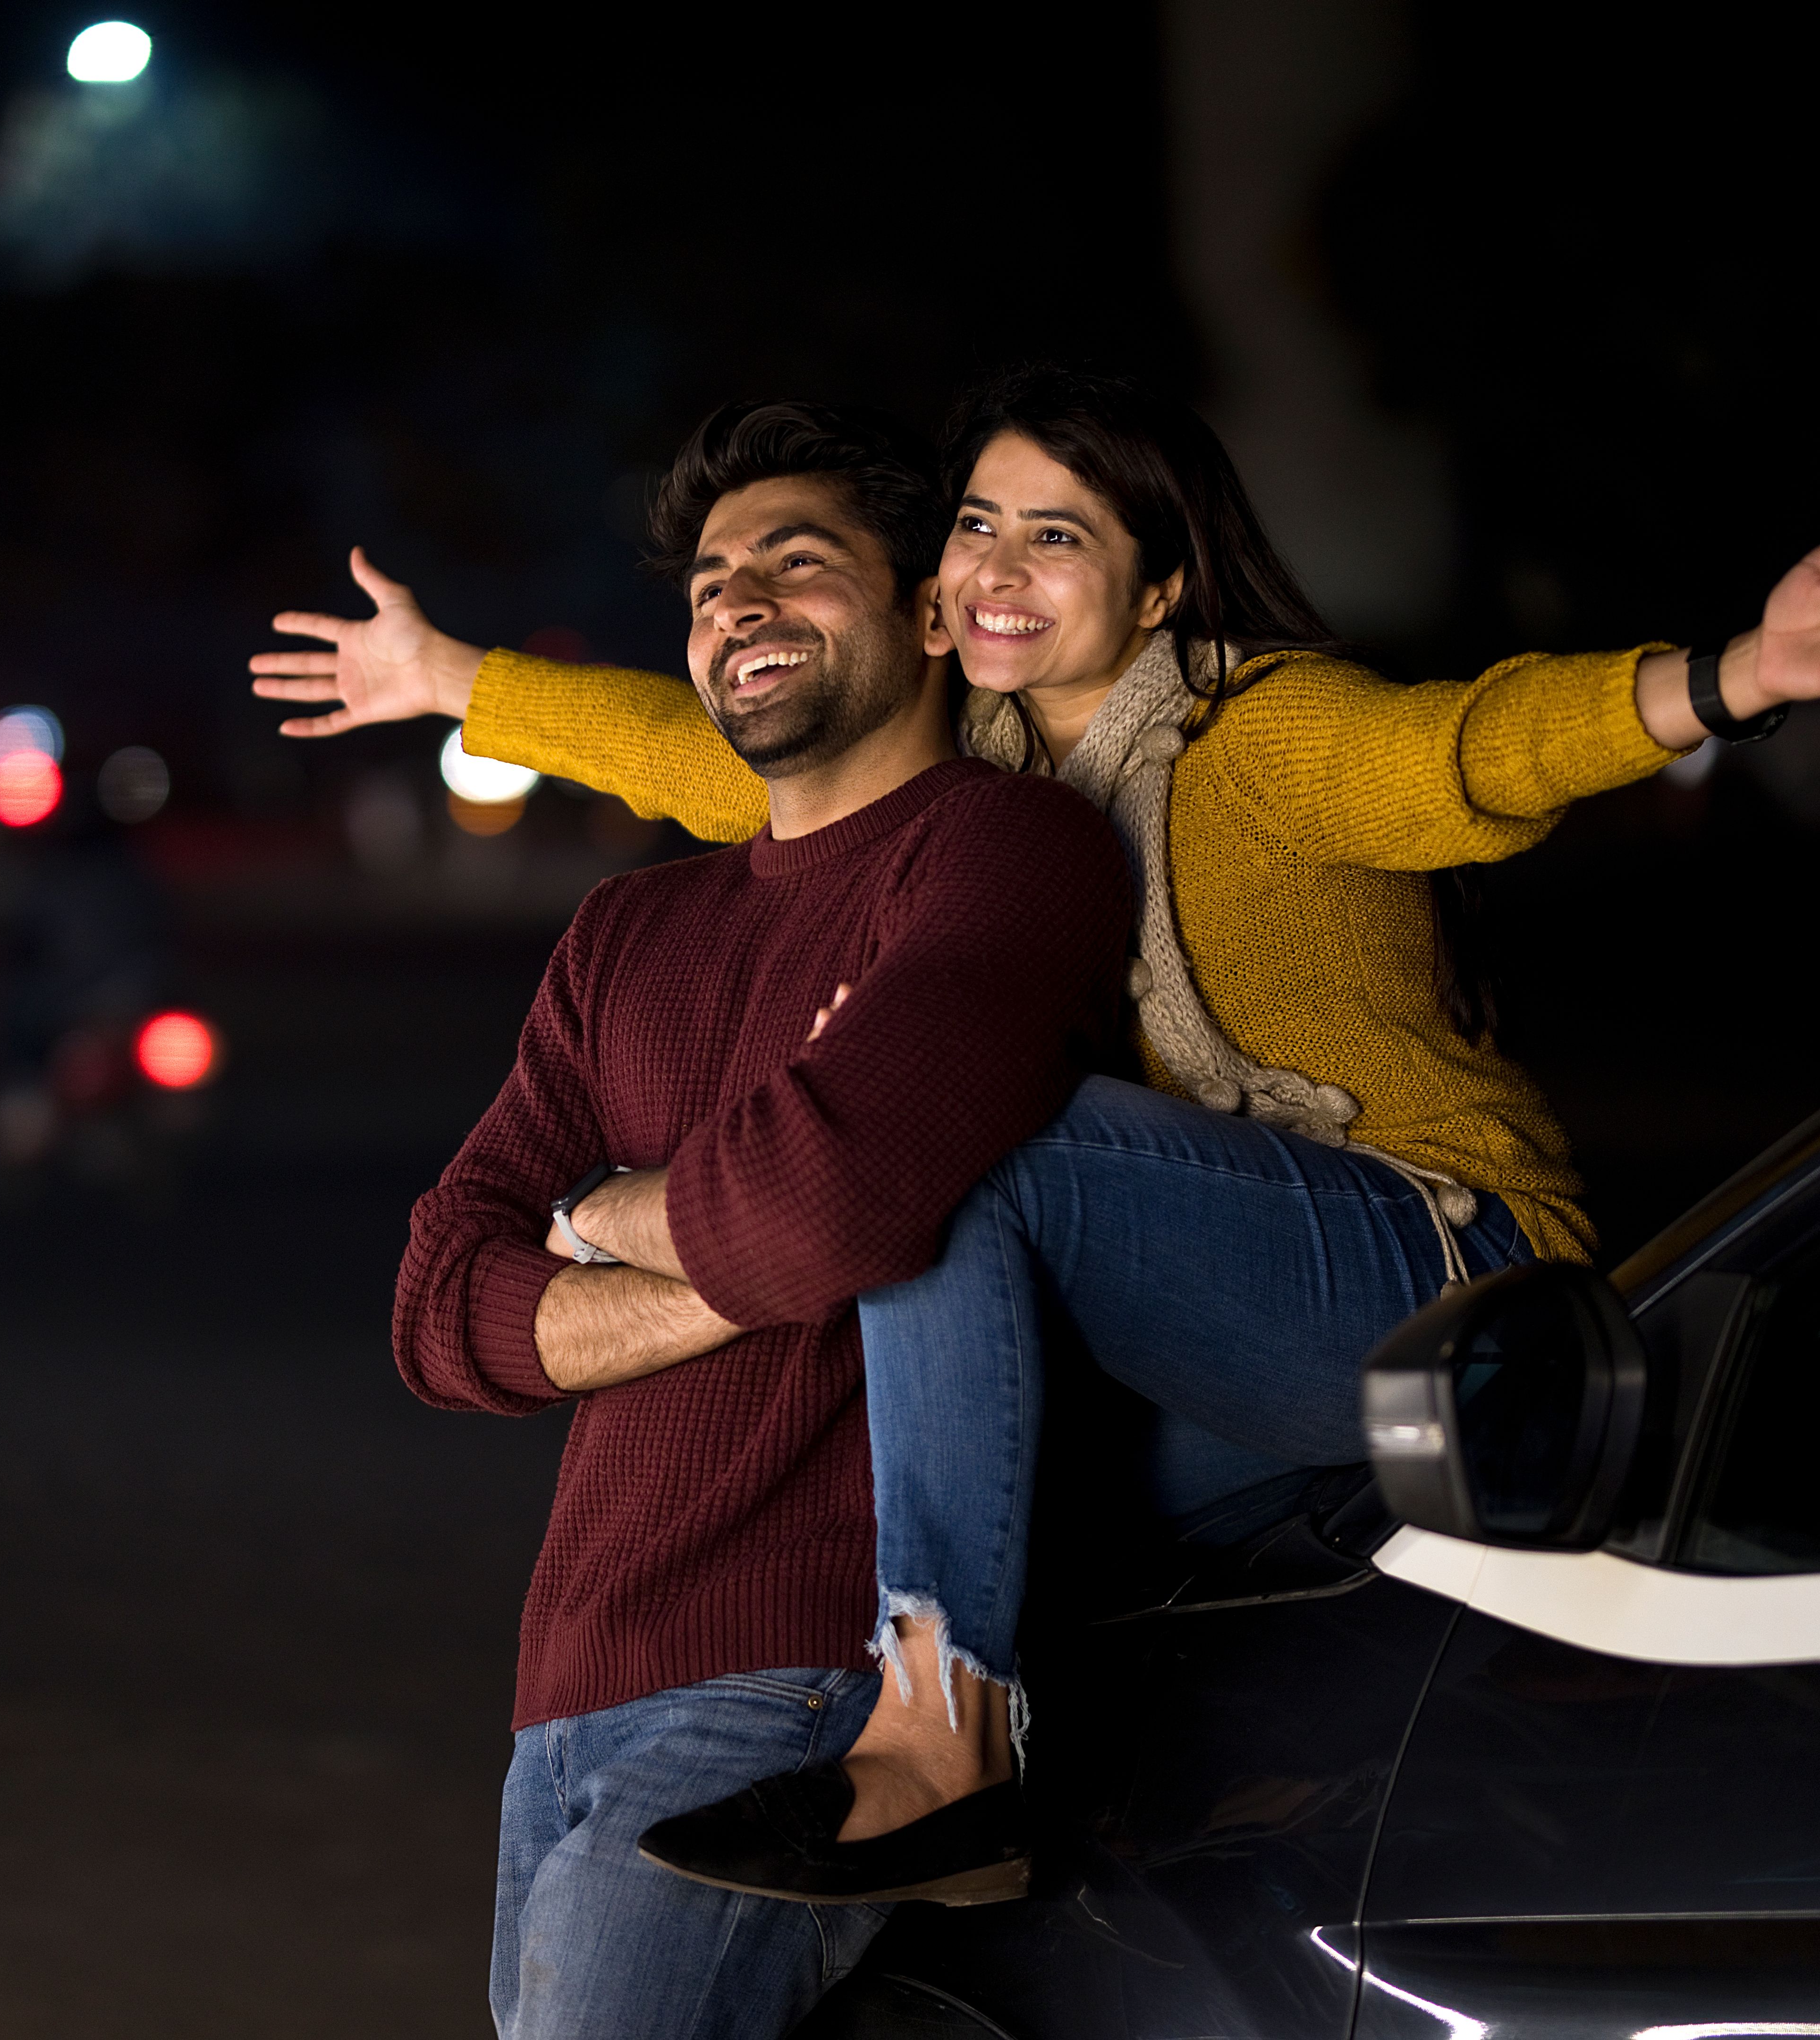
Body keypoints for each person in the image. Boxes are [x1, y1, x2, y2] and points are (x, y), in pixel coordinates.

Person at [267, 364, 1820, 1905]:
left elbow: (1475, 749)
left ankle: (943, 1746)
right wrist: (447, 679)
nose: (1001, 566)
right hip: (1237, 1334)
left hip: (1442, 1271)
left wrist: (1740, 676)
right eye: (981, 527)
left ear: (1158, 586)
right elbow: (697, 757)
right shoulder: (976, 765)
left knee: (973, 1158)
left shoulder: (1262, 729)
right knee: (1014, 1488)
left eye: (1060, 537)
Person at [394, 397, 1133, 2037]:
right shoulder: (625, 931)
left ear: (933, 614)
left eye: (798, 567)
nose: (738, 605)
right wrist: (691, 1229)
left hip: (810, 1684)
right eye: (714, 582)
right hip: (563, 1691)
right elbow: (441, 1308)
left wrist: (598, 1236)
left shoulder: (1003, 853)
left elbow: (836, 1197)